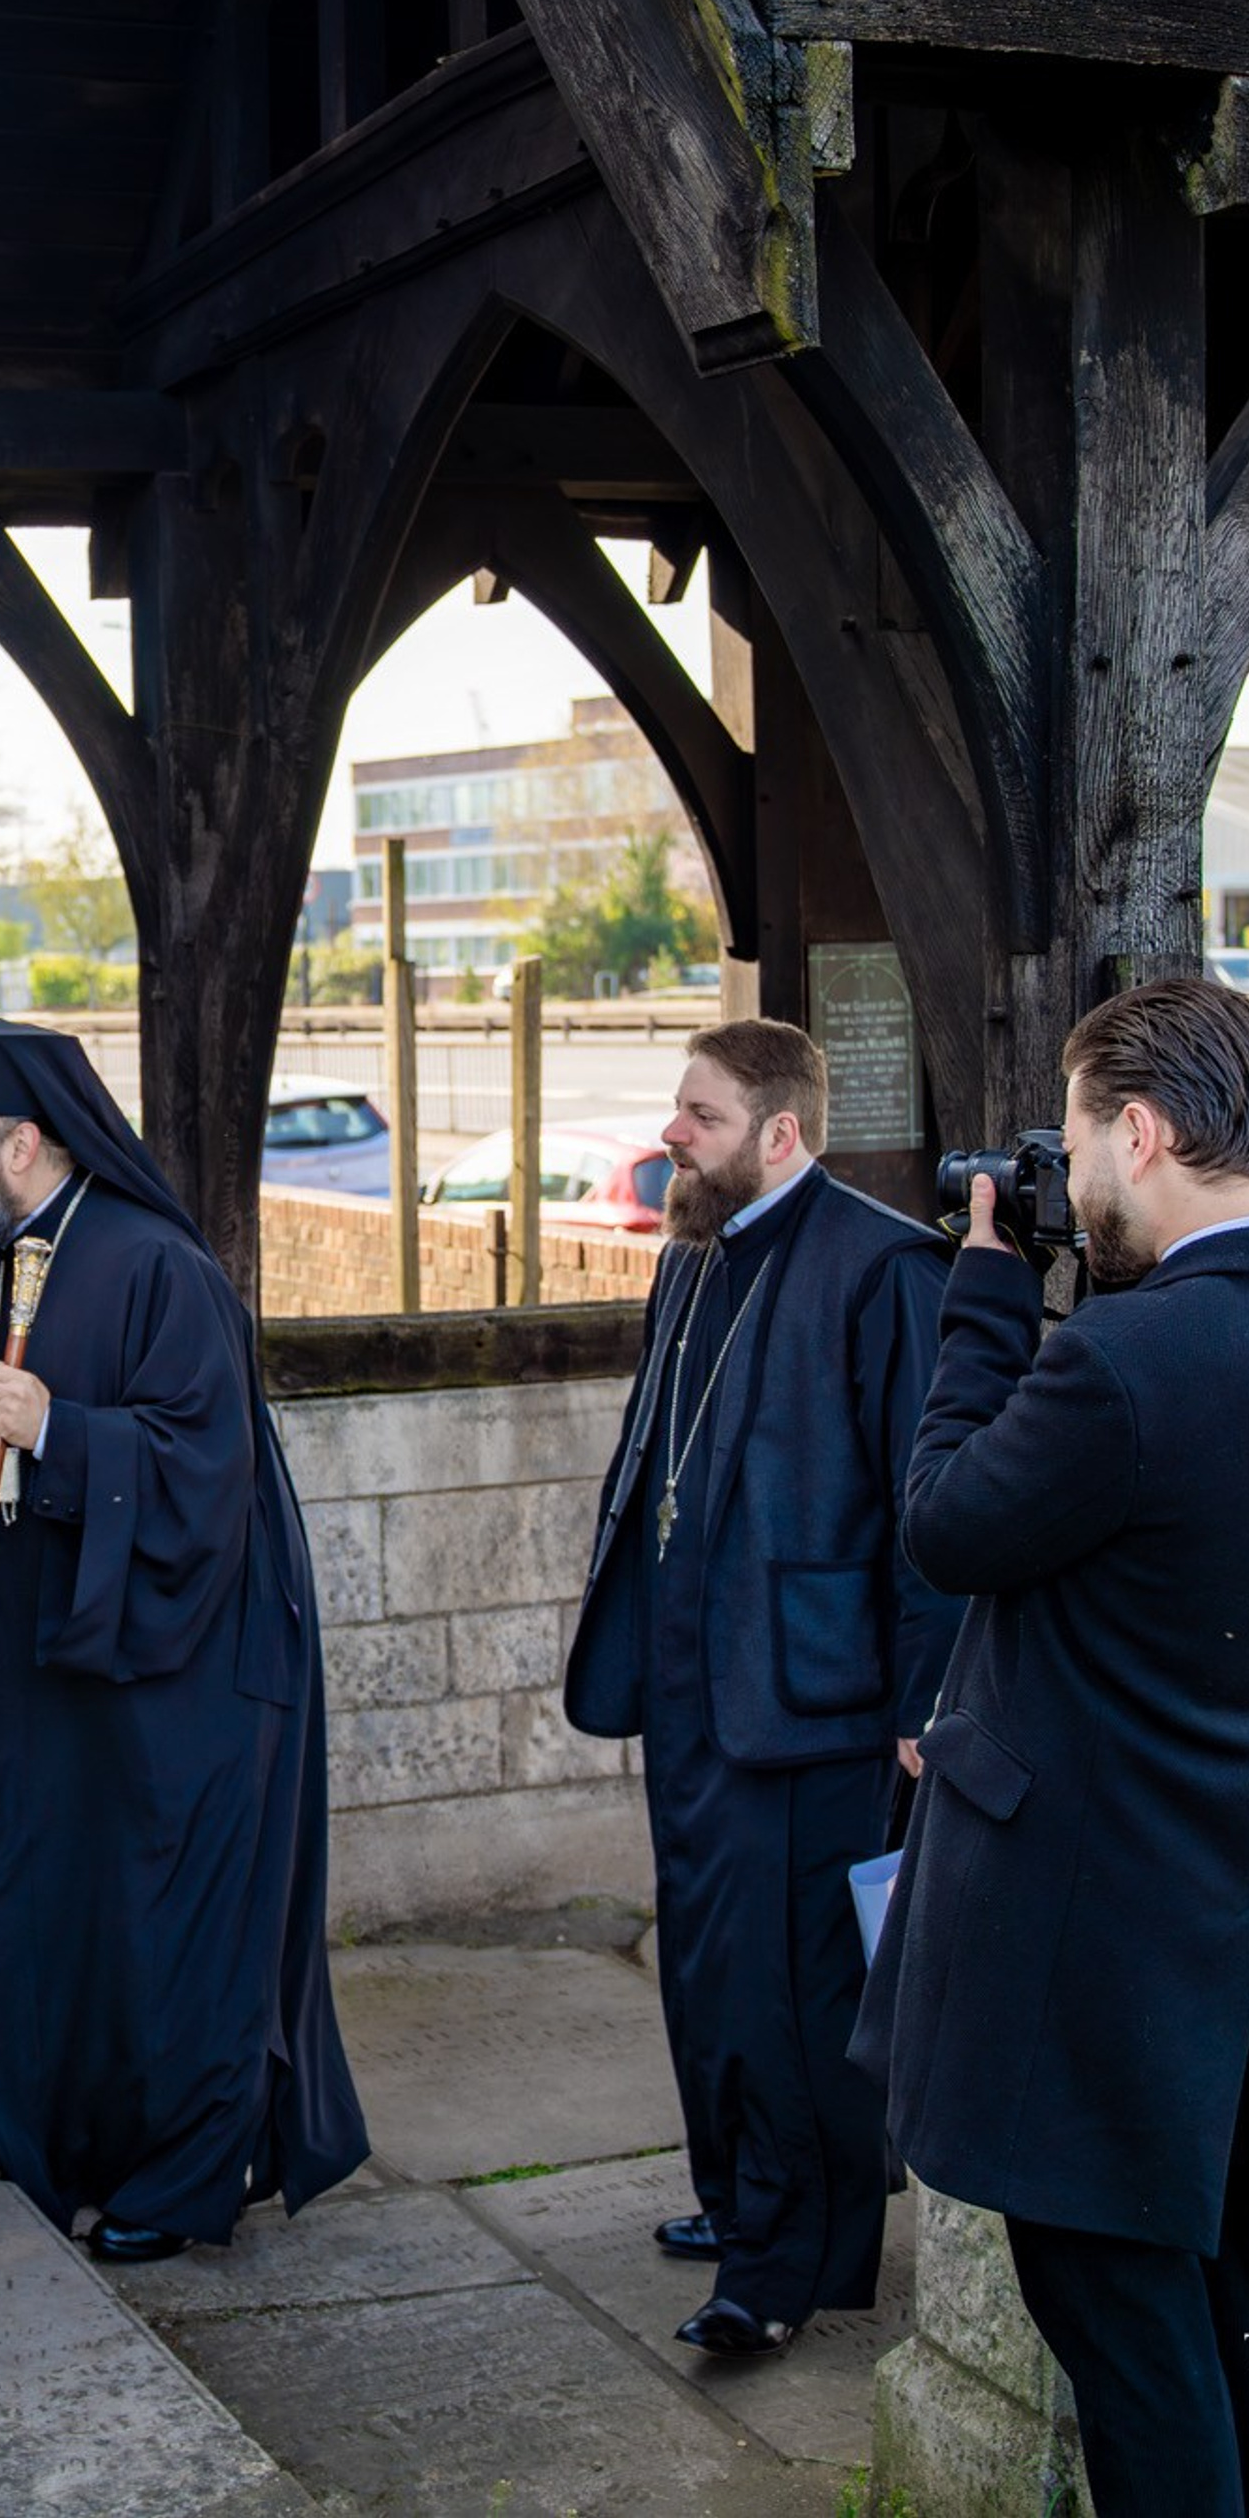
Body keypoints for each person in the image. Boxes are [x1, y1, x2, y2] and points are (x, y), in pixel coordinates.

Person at [0, 1019, 367, 2263]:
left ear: (23, 1142)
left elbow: (207, 1473)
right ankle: (50, 2143)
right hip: (44, 1673)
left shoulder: (158, 1266)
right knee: (46, 1913)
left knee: (157, 1935)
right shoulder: (2, 1266)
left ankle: (174, 2182)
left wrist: (63, 1431)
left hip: (171, 1688)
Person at [860, 977, 1249, 2516]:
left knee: (1133, 2348)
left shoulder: (1124, 1363)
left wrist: (983, 1292)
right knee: (1220, 2331)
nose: (1069, 1178)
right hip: (1222, 1939)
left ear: (1139, 1133)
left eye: (1078, 1144)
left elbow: (949, 1525)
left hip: (1112, 1961)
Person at [562, 1018, 960, 2356]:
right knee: (707, 1968)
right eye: (677, 1110)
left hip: (813, 1703)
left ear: (780, 1133)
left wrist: (921, 1707)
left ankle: (782, 2270)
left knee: (792, 1991)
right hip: (690, 1689)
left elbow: (926, 1511)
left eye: (703, 1116)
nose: (671, 1134)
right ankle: (738, 2199)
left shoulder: (885, 1267)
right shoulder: (691, 1257)